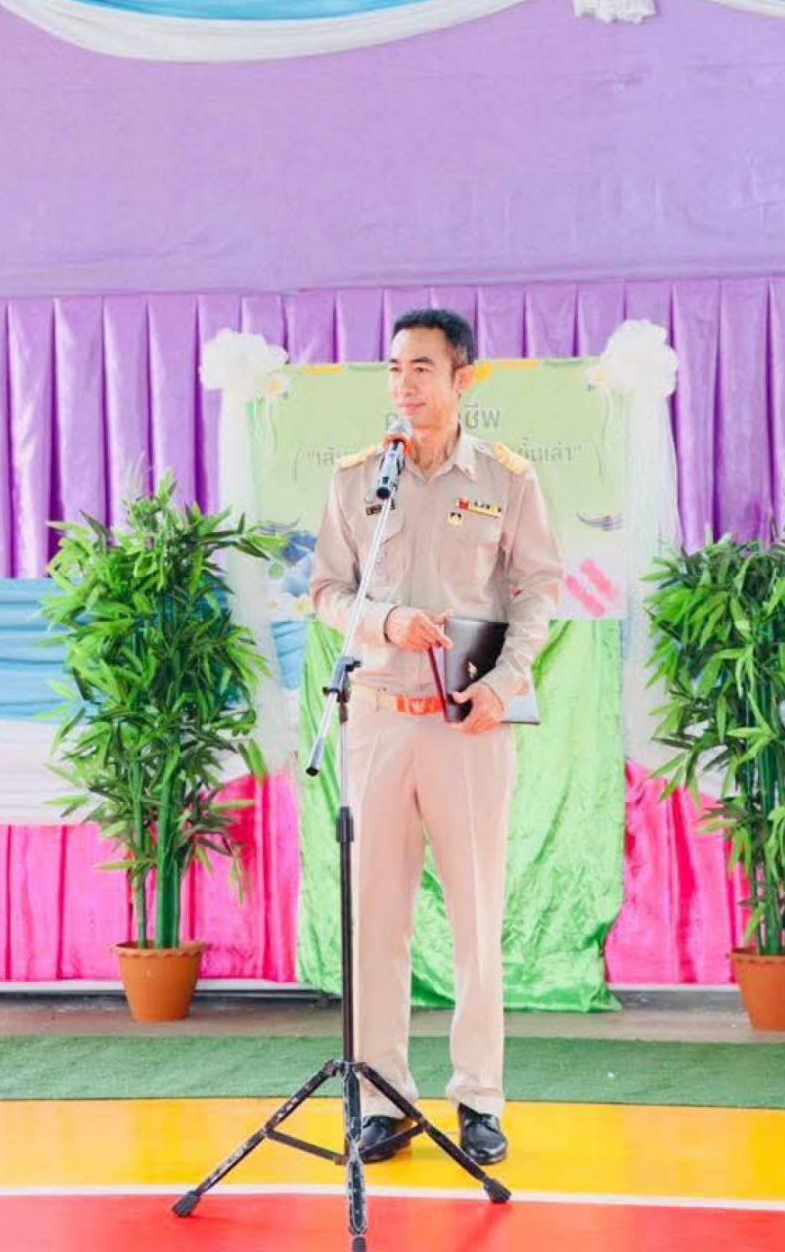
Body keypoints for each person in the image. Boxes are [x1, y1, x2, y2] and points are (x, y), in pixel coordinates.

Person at [310, 308, 562, 1165]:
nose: (404, 385)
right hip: (379, 720)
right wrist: (384, 621)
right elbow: (326, 591)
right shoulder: (357, 479)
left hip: (468, 728)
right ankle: (384, 1099)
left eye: (422, 368)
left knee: (475, 919)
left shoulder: (505, 477)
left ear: (463, 379)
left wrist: (505, 681)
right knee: (377, 920)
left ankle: (479, 1100)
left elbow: (539, 588)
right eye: (394, 368)